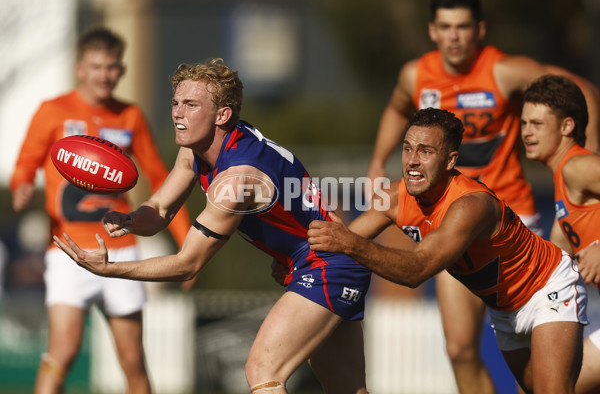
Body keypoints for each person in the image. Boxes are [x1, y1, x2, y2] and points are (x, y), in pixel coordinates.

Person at [52, 58, 372, 394]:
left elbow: (187, 264)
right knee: (346, 388)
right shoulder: (197, 149)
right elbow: (160, 209)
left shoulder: (237, 179)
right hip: (325, 261)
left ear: (222, 115)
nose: (178, 113)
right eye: (176, 102)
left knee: (263, 370)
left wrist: (110, 269)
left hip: (329, 263)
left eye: (191, 105)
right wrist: (132, 220)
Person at [366, 0, 600, 392]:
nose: (453, 37)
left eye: (462, 27)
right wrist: (376, 163)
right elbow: (395, 108)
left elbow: (575, 90)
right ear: (432, 31)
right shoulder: (415, 75)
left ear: (479, 30)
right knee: (459, 348)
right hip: (447, 221)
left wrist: (581, 154)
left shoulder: (504, 71)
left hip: (507, 218)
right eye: (445, 27)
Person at [308, 107, 588, 393]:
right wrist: (293, 263)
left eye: (425, 152)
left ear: (450, 160)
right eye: (407, 149)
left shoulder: (470, 206)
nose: (412, 162)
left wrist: (349, 244)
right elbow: (336, 243)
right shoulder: (393, 197)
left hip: (547, 287)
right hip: (504, 309)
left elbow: (418, 269)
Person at [10, 27, 191, 394]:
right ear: (80, 68)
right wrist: (21, 187)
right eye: (97, 66)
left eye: (112, 67)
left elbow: (163, 180)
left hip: (119, 249)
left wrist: (188, 247)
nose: (105, 75)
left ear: (121, 70)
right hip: (66, 250)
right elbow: (24, 165)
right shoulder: (53, 111)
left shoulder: (130, 116)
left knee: (132, 360)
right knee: (62, 352)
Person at [520, 74, 600, 394]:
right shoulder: (563, 189)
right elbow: (551, 261)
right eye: (524, 123)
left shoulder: (576, 166)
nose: (526, 132)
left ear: (567, 126)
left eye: (537, 123)